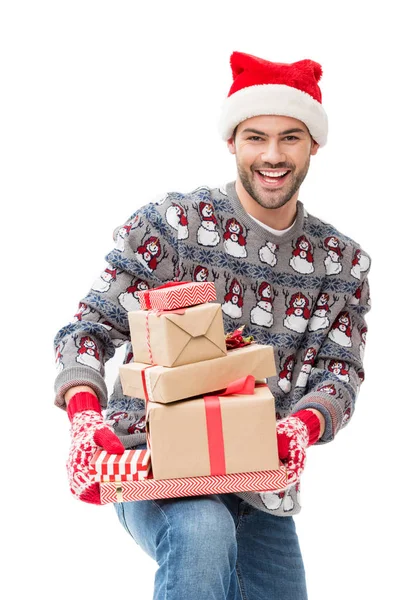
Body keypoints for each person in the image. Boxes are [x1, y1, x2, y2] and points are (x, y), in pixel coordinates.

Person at [54, 51, 371, 599]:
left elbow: (338, 375)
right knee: (203, 528)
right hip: (152, 465)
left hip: (260, 485)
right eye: (255, 137)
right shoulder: (174, 227)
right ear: (232, 141)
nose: (273, 155)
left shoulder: (341, 265)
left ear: (314, 145)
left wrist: (303, 427)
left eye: (291, 137)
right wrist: (85, 419)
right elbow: (87, 329)